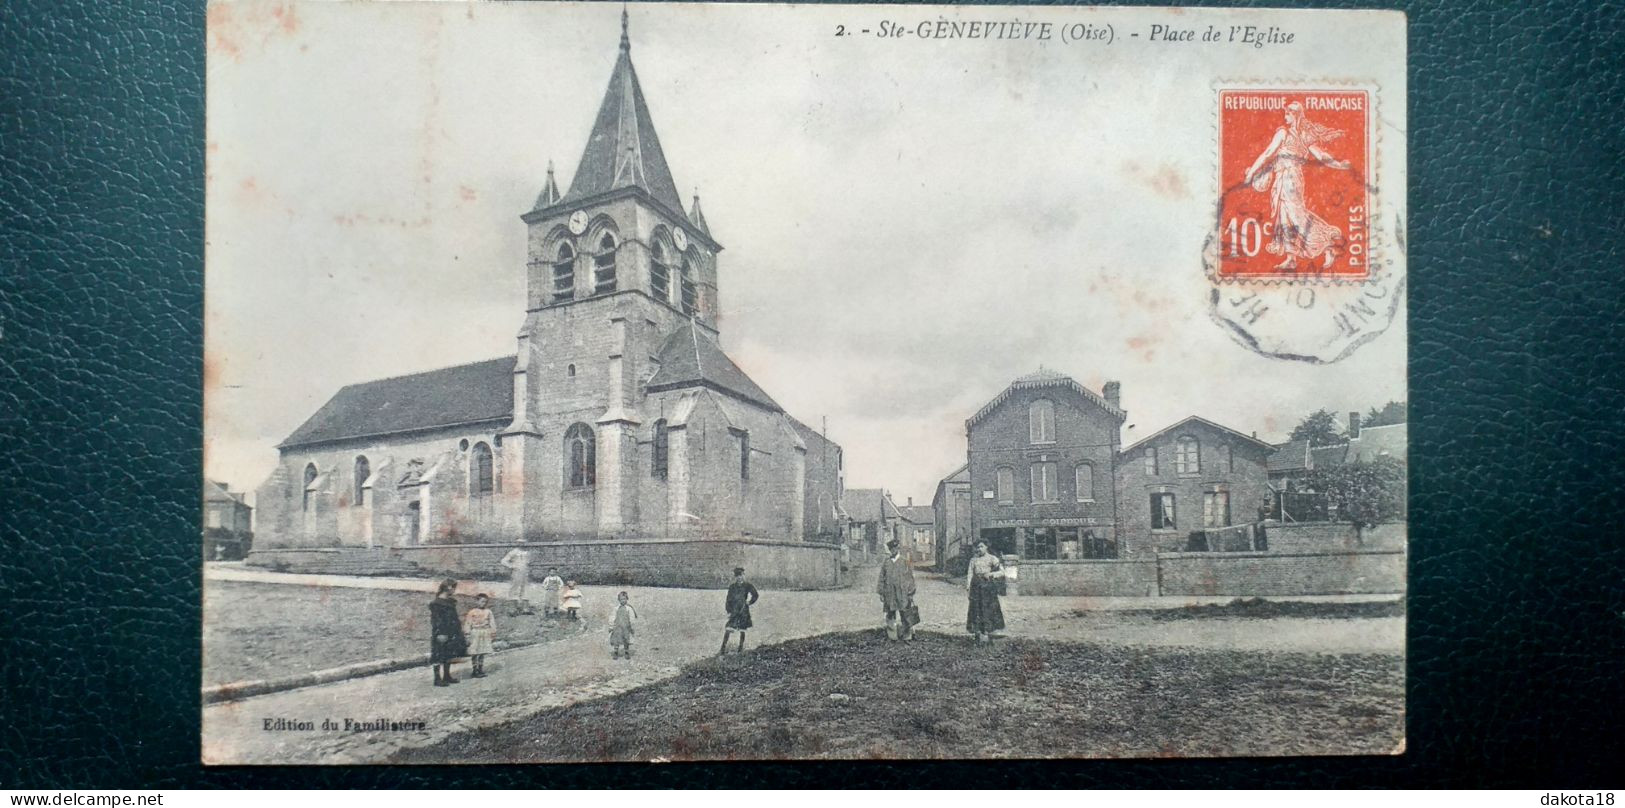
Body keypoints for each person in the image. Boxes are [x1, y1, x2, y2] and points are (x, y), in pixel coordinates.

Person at [1242, 101, 1353, 271]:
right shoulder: (1304, 135)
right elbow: (1322, 156)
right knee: (1284, 216)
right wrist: (1338, 165)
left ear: (1294, 115)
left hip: (1288, 178)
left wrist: (1251, 173)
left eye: (1287, 113)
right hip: (1286, 178)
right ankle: (1291, 257)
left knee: (1296, 216)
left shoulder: (1283, 133)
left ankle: (1328, 244)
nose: (1284, 116)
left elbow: (1267, 154)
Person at [876, 538, 918, 642]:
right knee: (890, 615)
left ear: (898, 548)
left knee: (905, 614)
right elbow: (882, 578)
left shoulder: (904, 562)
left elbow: (910, 578)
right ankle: (892, 636)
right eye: (891, 549)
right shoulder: (886, 562)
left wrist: (910, 592)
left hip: (903, 593)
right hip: (890, 593)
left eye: (895, 548)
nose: (893, 551)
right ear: (889, 550)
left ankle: (907, 636)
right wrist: (881, 592)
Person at [428, 578, 468, 686]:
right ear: (448, 588)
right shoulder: (436, 603)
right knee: (438, 655)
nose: (454, 590)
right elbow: (436, 620)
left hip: (452, 631)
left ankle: (446, 675)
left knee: (448, 654)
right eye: (454, 588)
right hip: (441, 632)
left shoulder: (450, 602)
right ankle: (437, 679)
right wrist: (440, 633)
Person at [964, 542, 1006, 643]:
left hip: (988, 587)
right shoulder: (973, 560)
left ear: (987, 547)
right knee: (976, 608)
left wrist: (991, 574)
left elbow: (1002, 572)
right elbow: (970, 573)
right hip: (976, 586)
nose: (979, 549)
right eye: (977, 547)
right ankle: (977, 632)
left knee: (988, 608)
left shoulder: (992, 558)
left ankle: (988, 631)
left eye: (981, 546)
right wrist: (968, 586)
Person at [720, 567, 759, 654]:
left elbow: (755, 595)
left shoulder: (748, 586)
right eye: (737, 576)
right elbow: (728, 600)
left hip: (743, 610)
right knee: (728, 629)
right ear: (735, 577)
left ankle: (740, 649)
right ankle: (722, 649)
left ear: (743, 576)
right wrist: (729, 611)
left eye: (741, 575)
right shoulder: (732, 587)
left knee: (742, 630)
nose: (739, 577)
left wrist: (749, 602)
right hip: (734, 611)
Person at [462, 593, 496, 678]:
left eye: (485, 602)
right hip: (475, 632)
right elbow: (468, 623)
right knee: (475, 652)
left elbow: (492, 622)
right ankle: (474, 670)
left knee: (482, 652)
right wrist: (467, 634)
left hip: (485, 632)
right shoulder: (472, 612)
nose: (483, 603)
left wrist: (493, 632)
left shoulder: (488, 612)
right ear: (477, 601)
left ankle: (480, 669)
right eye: (482, 601)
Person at [498, 540, 534, 616]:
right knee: (514, 588)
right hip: (516, 572)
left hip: (525, 572)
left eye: (523, 543)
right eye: (520, 543)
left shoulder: (527, 552)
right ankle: (512, 609)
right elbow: (503, 561)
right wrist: (512, 566)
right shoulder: (513, 552)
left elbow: (528, 562)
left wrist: (528, 567)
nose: (522, 544)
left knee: (525, 589)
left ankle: (525, 609)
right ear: (517, 544)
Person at [609, 591, 637, 659]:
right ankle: (616, 652)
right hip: (617, 627)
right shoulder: (616, 608)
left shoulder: (629, 609)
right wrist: (611, 625)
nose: (623, 601)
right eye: (621, 599)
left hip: (626, 627)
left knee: (626, 639)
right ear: (619, 600)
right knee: (616, 639)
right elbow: (612, 617)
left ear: (627, 599)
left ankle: (626, 652)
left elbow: (632, 618)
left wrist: (632, 627)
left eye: (624, 599)